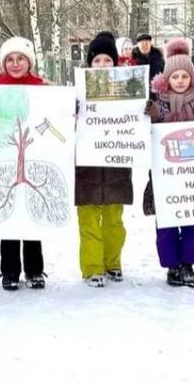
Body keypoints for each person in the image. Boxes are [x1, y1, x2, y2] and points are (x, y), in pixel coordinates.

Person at [144, 37, 194, 287]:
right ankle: (172, 265)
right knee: (166, 224)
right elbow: (145, 134)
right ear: (166, 80)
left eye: (185, 76)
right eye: (175, 76)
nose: (180, 80)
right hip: (165, 177)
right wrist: (149, 116)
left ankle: (188, 264)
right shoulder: (157, 108)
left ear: (192, 78)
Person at [0, 36, 48, 290]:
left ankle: (35, 270)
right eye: (10, 59)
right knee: (9, 216)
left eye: (21, 58)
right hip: (4, 159)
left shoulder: (43, 89)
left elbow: (52, 118)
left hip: (34, 157)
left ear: (29, 62)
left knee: (31, 214)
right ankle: (9, 270)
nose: (15, 63)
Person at [75, 32, 132, 287]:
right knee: (88, 219)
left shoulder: (128, 89)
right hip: (87, 163)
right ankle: (92, 268)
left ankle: (112, 263)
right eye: (96, 60)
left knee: (113, 220)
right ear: (90, 63)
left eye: (107, 60)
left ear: (115, 63)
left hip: (116, 163)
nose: (101, 66)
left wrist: (145, 109)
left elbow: (136, 120)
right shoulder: (78, 90)